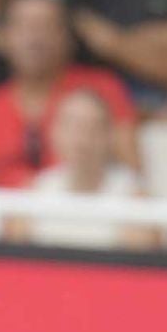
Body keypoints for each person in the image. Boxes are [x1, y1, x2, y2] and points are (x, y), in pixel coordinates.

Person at [0, 0, 137, 188]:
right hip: (10, 217)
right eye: (22, 27)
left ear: (68, 38)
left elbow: (131, 177)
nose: (34, 37)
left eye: (46, 26)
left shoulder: (103, 90)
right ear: (3, 38)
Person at [12, 90, 154, 251]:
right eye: (72, 126)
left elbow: (136, 267)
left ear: (110, 136)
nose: (82, 138)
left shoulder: (134, 199)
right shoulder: (32, 194)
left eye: (93, 127)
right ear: (53, 132)